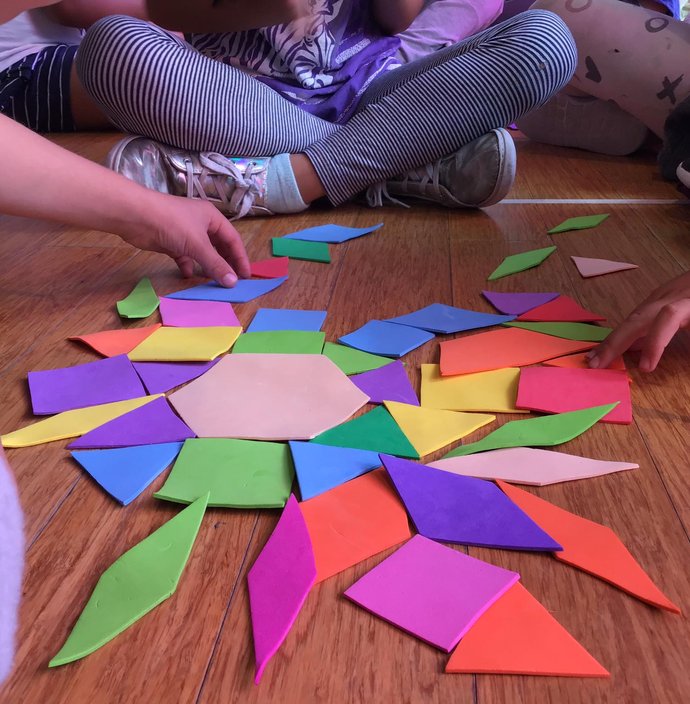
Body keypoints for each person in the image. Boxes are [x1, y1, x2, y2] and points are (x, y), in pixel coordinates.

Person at [74, 3, 578, 218]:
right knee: (110, 48)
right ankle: (401, 160)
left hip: (375, 89)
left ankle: (283, 184)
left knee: (547, 41)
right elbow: (168, 12)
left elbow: (397, 16)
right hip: (252, 106)